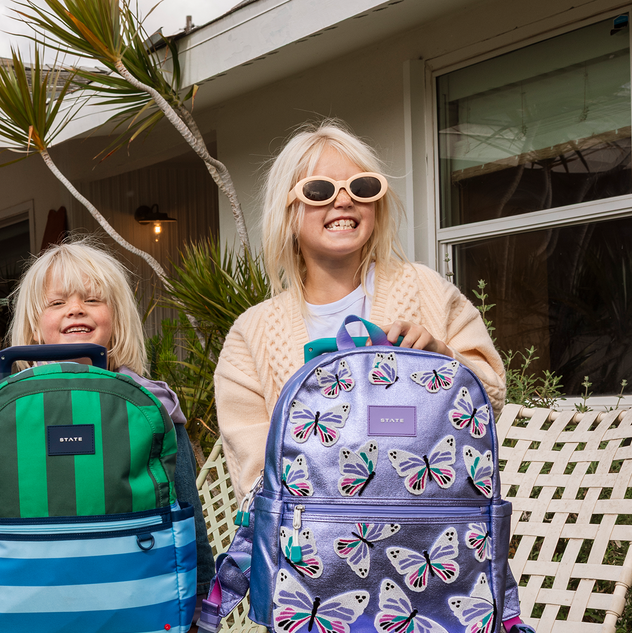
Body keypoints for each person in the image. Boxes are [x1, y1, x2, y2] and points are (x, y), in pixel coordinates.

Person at [214, 120, 506, 498]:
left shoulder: (425, 289)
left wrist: (443, 358)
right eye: (319, 190)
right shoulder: (251, 334)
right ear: (287, 212)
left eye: (361, 186)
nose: (343, 200)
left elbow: (492, 397)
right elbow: (255, 477)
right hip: (313, 544)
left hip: (429, 524)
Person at [9, 239, 216, 613]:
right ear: (33, 325)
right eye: (57, 303)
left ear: (117, 316)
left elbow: (187, 512)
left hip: (138, 593)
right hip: (30, 597)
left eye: (92, 300)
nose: (75, 310)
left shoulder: (152, 405)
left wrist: (200, 595)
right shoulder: (9, 412)